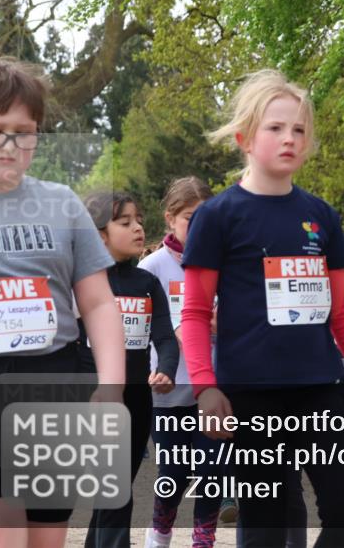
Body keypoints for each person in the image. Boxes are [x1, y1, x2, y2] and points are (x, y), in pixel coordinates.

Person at [178, 69, 344, 548]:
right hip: (249, 397)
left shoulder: (321, 216)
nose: (289, 138)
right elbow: (193, 314)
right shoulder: (217, 216)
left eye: (298, 129)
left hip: (319, 391)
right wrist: (205, 389)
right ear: (244, 137)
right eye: (275, 128)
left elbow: (343, 314)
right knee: (268, 528)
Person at [0, 56, 125, 548]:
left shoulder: (60, 203)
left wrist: (111, 387)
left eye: (24, 131)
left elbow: (97, 303)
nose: (9, 144)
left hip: (53, 380)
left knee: (45, 541)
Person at [78, 191, 180, 548]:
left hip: (138, 400)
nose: (138, 228)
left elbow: (166, 338)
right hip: (92, 400)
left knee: (114, 489)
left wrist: (166, 369)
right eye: (125, 222)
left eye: (139, 220)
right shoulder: (80, 282)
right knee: (114, 488)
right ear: (99, 234)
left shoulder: (147, 284)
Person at [139, 177, 226, 548]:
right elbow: (136, 329)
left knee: (212, 469)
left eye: (206, 217)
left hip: (216, 388)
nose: (200, 226)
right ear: (170, 219)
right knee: (172, 471)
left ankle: (203, 539)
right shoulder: (152, 267)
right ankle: (160, 531)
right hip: (168, 390)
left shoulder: (225, 262)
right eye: (191, 218)